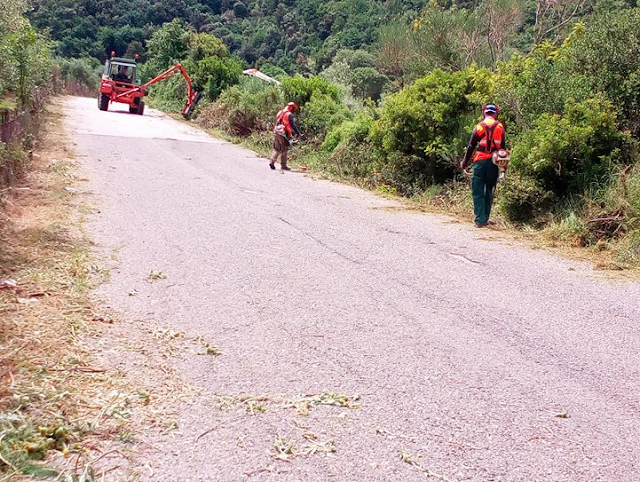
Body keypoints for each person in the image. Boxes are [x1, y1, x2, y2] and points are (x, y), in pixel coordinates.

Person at [460, 103, 506, 228]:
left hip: (480, 161)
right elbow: (503, 149)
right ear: (495, 113)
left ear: (484, 113)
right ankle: (485, 218)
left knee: (478, 190)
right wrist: (504, 167)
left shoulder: (479, 127)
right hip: (494, 163)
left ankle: (480, 220)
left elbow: (471, 146)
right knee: (489, 189)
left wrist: (464, 162)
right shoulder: (500, 127)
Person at [270, 102, 300, 171]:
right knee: (284, 149)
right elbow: (293, 125)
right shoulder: (289, 114)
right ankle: (283, 165)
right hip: (283, 133)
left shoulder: (280, 112)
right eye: (293, 109)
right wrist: (298, 133)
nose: (293, 111)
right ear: (291, 107)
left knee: (276, 148)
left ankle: (272, 162)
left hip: (276, 131)